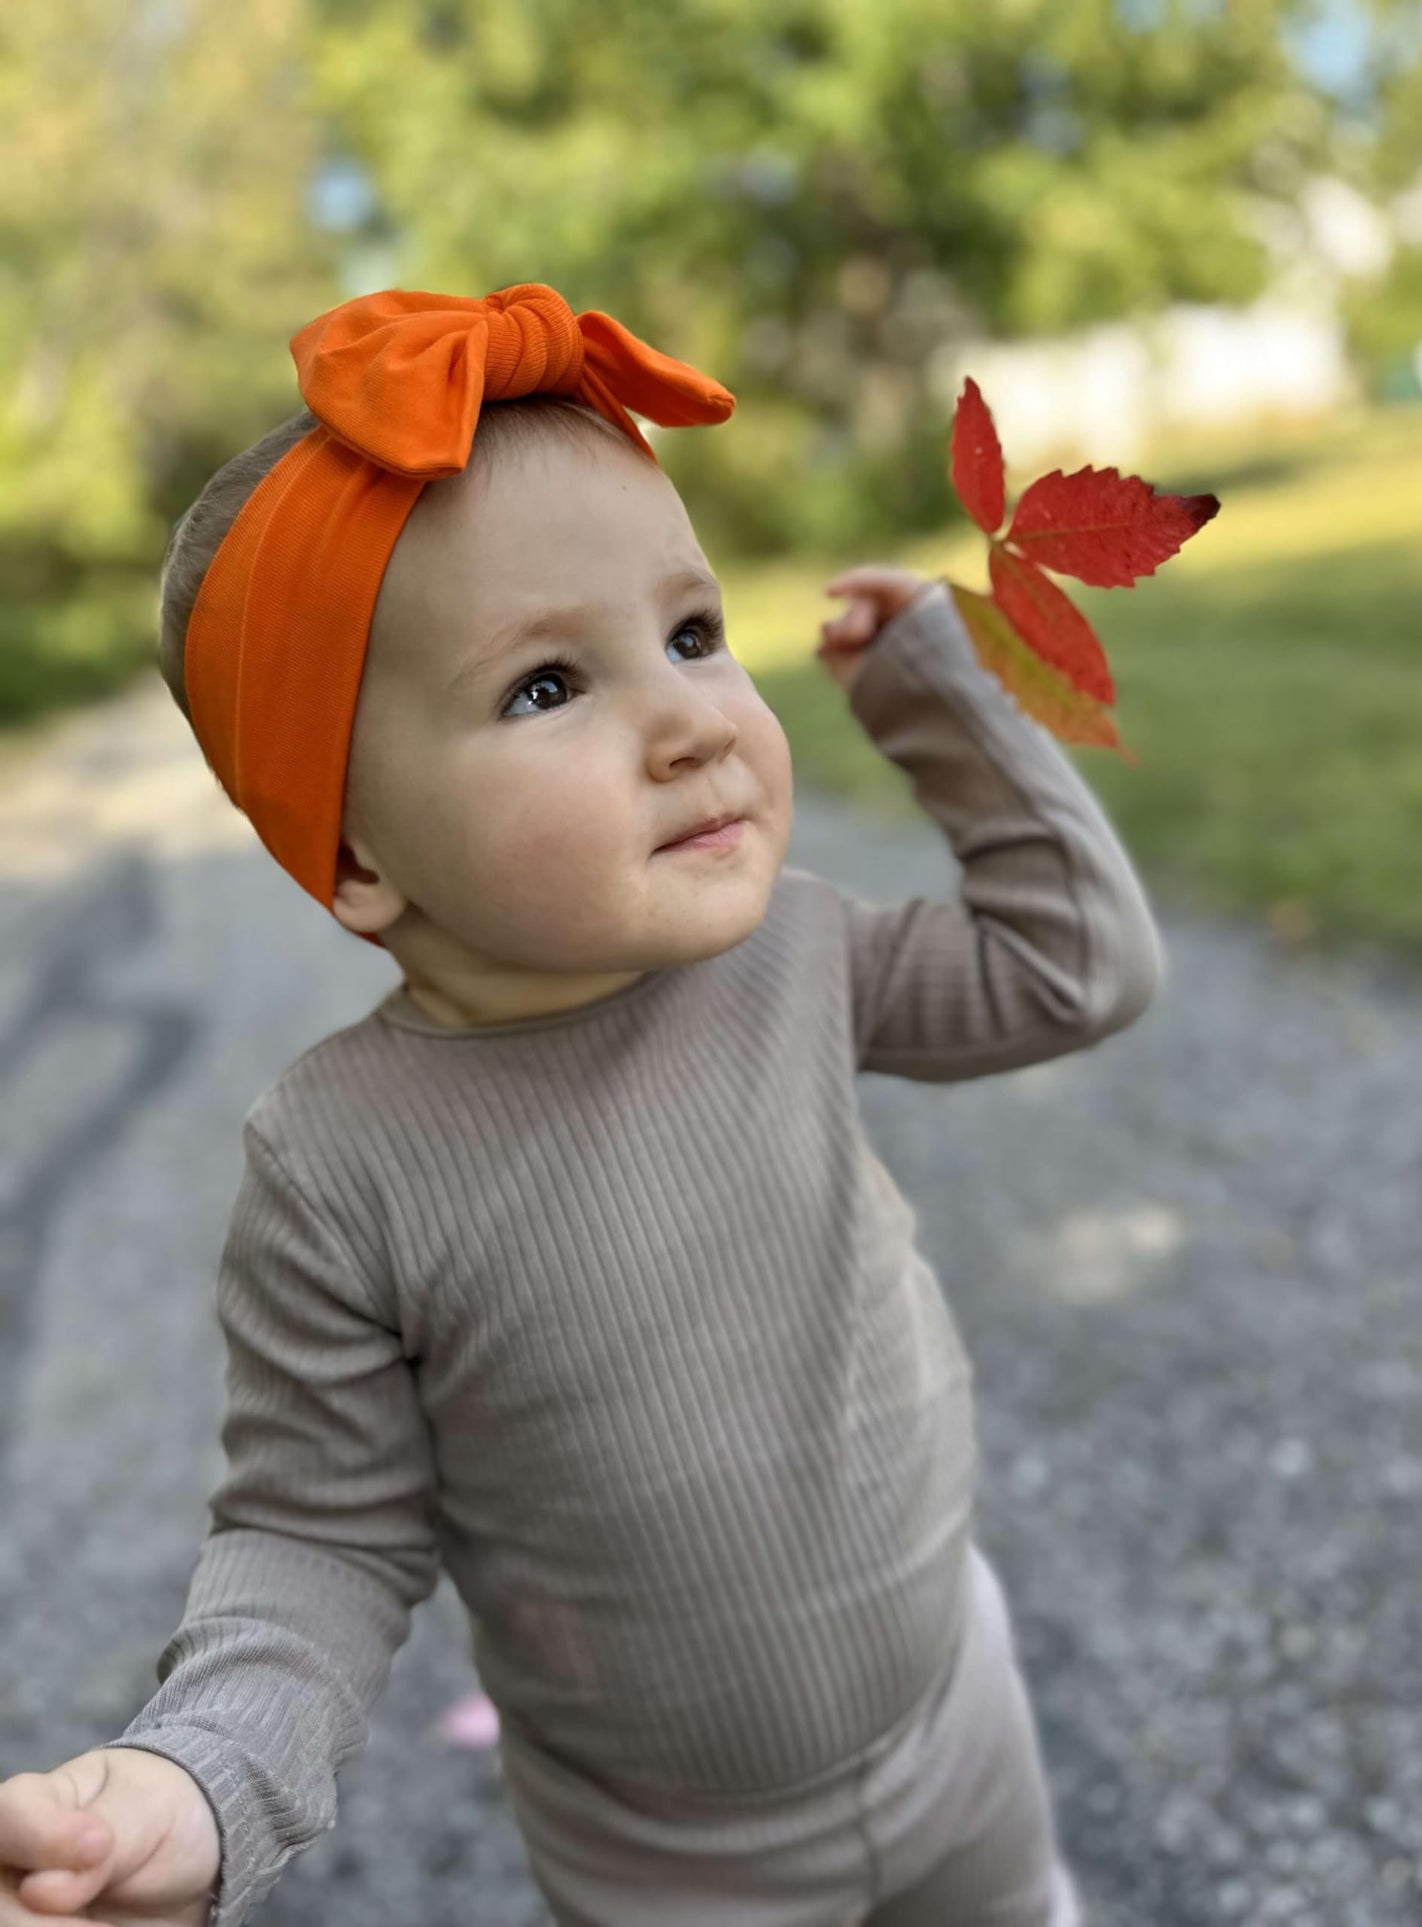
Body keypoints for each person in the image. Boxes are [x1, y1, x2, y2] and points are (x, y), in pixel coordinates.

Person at [0, 282, 1164, 1927]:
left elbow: (1073, 969)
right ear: (353, 855)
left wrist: (944, 706)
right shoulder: (343, 1166)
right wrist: (200, 1778)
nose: (691, 719)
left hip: (949, 1706)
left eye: (692, 635)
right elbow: (317, 1539)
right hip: (665, 1849)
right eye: (548, 686)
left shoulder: (796, 952)